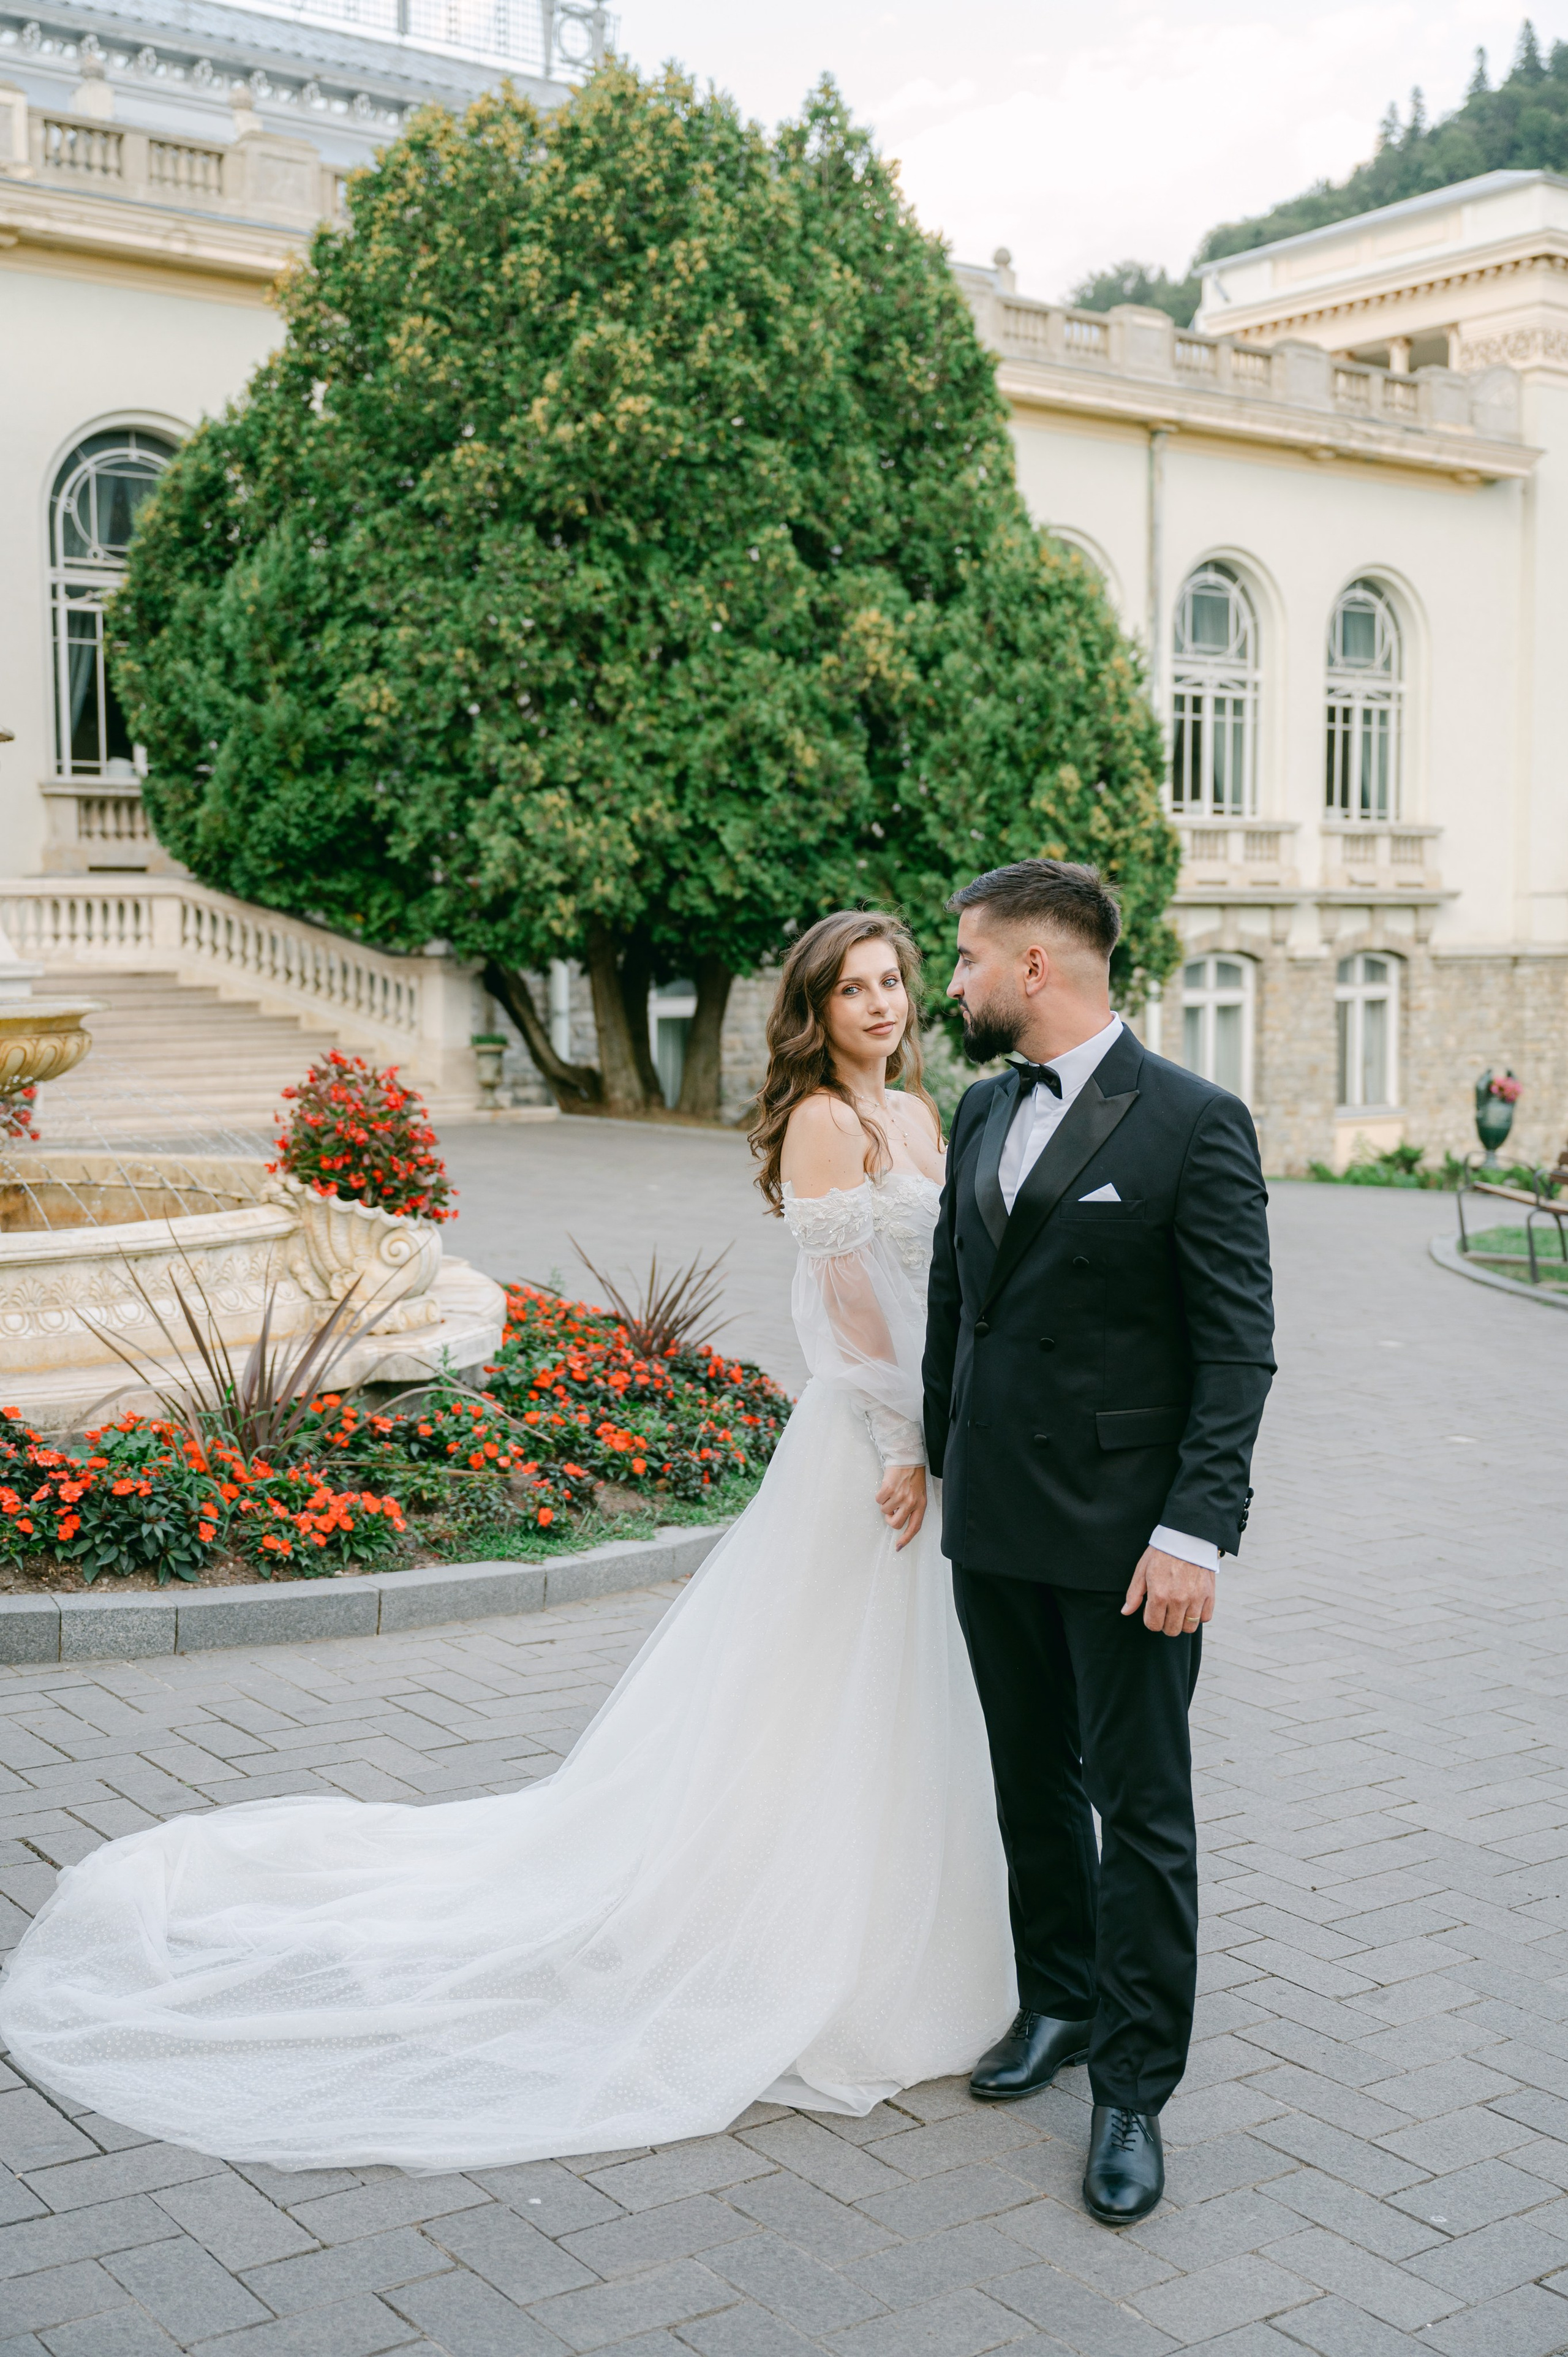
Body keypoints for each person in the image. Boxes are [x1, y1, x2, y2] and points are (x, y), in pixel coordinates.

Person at [0, 910, 1014, 2173]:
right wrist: (902, 1435)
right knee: (837, 1680)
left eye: (892, 982)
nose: (881, 1004)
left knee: (906, 1684)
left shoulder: (918, 1113)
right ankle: (805, 1929)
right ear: (811, 1011)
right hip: (872, 1436)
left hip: (934, 1423)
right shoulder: (822, 1119)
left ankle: (910, 1920)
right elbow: (846, 1303)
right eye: (853, 988)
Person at [923, 858, 1276, 2225]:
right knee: (1026, 1782)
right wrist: (934, 1460)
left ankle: (1132, 2087)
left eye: (961, 960)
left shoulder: (1192, 1121)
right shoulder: (976, 1106)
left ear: (1031, 969)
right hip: (995, 1523)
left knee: (1139, 1812)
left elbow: (1233, 1349)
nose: (947, 985)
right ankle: (1057, 2004)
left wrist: (1194, 1531)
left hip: (1130, 1539)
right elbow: (961, 1299)